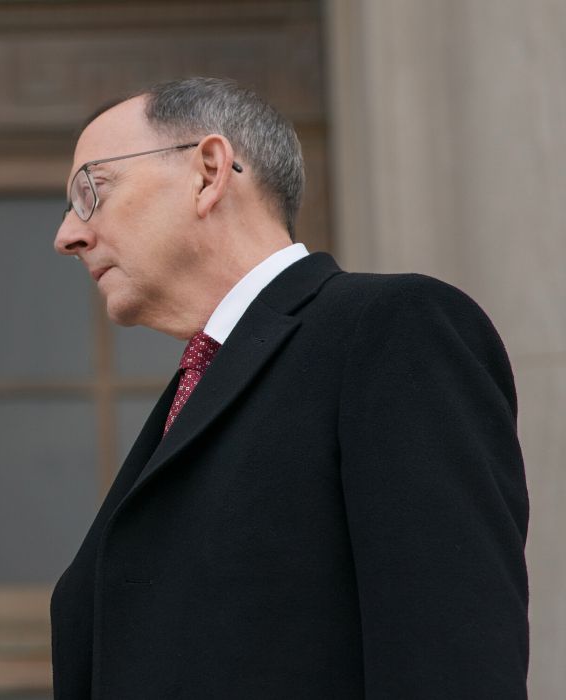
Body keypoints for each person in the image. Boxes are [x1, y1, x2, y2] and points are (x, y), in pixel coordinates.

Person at [49, 77, 529, 698]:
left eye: (92, 191)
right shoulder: (197, 392)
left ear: (208, 172)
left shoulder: (393, 328)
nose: (68, 234)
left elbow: (453, 658)